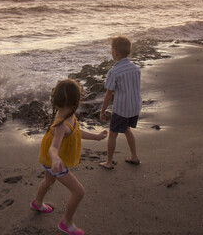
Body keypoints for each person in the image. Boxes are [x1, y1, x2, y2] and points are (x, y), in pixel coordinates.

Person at [31, 79, 107, 235]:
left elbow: (77, 132)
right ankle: (66, 223)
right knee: (79, 192)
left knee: (49, 180)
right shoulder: (61, 124)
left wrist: (96, 137)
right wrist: (56, 158)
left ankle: (37, 203)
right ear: (76, 102)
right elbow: (54, 147)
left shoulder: (68, 115)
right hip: (54, 161)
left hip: (49, 161)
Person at [99, 36, 142, 170]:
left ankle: (109, 162)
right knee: (127, 129)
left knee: (113, 133)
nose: (111, 52)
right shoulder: (136, 68)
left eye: (112, 50)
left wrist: (102, 110)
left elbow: (108, 94)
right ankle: (134, 156)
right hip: (135, 106)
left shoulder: (114, 71)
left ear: (115, 52)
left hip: (122, 109)